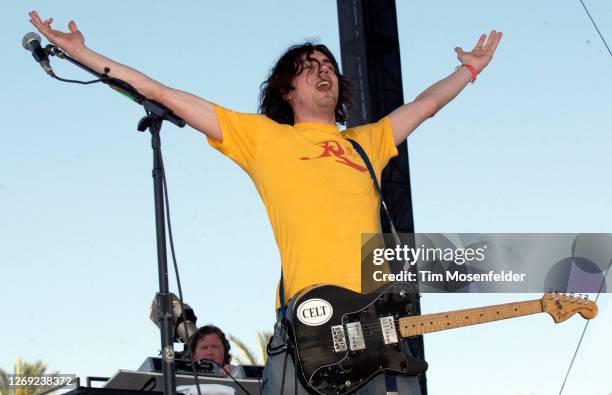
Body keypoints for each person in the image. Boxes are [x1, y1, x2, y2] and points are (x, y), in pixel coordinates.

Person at [29, 10, 502, 394]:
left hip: (378, 330)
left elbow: (426, 104)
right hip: (308, 330)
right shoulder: (262, 138)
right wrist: (83, 54)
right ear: (286, 89)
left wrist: (469, 69)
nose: (324, 72)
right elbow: (160, 92)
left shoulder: (368, 140)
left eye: (329, 66)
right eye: (309, 67)